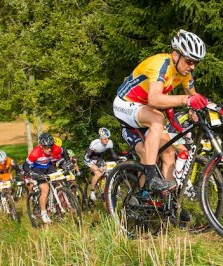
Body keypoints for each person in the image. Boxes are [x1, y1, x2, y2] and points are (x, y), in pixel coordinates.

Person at [113, 29, 211, 192]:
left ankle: (169, 205)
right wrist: (185, 100)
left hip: (144, 111)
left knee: (169, 152)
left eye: (196, 62)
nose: (192, 66)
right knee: (157, 119)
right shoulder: (160, 64)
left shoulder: (184, 73)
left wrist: (213, 107)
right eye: (189, 60)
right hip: (125, 103)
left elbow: (195, 99)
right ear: (175, 54)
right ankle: (150, 179)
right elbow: (154, 99)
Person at [23, 132, 73, 224]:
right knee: (45, 189)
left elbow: (64, 151)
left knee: (59, 181)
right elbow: (25, 166)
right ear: (41, 146)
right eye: (46, 147)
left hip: (49, 167)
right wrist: (31, 173)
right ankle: (43, 212)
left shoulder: (56, 148)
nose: (49, 149)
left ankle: (56, 202)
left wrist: (68, 162)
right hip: (37, 169)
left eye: (51, 146)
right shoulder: (35, 152)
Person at [84, 127, 126, 201]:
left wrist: (121, 157)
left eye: (108, 138)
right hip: (89, 159)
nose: (107, 140)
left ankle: (106, 190)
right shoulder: (95, 143)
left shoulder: (109, 143)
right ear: (100, 138)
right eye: (105, 139)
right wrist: (94, 166)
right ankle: (92, 191)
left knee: (108, 170)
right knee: (98, 173)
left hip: (99, 159)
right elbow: (87, 157)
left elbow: (114, 155)